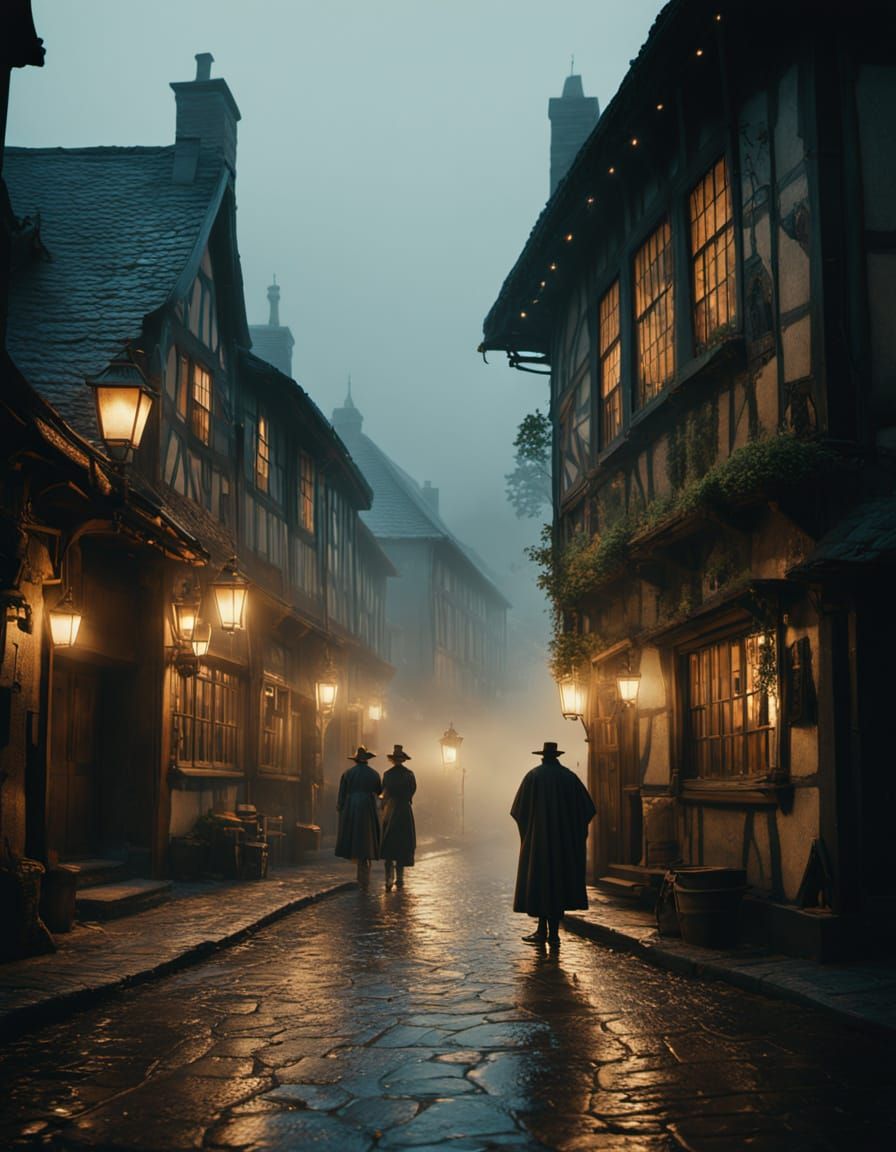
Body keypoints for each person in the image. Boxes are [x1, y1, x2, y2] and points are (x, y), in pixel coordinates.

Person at [511, 740, 596, 949]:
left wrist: (530, 832)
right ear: (556, 756)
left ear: (543, 756)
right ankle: (554, 934)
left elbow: (518, 812)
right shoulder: (569, 778)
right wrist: (572, 835)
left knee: (541, 884)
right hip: (563, 845)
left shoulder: (533, 777)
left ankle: (542, 931)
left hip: (538, 843)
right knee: (558, 884)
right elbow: (587, 809)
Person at [335, 746, 382, 888]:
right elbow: (379, 791)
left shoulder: (348, 773)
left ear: (355, 760)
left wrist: (341, 807)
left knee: (354, 835)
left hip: (352, 806)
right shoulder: (374, 774)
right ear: (367, 760)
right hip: (368, 806)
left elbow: (341, 795)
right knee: (367, 835)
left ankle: (360, 873)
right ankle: (365, 870)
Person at [380, 744, 417, 890]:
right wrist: (407, 798)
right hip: (404, 810)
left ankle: (389, 878)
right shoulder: (409, 774)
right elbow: (413, 789)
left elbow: (384, 792)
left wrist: (384, 805)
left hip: (391, 809)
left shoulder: (387, 775)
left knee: (389, 843)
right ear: (403, 760)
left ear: (393, 760)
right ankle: (400, 878)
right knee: (403, 843)